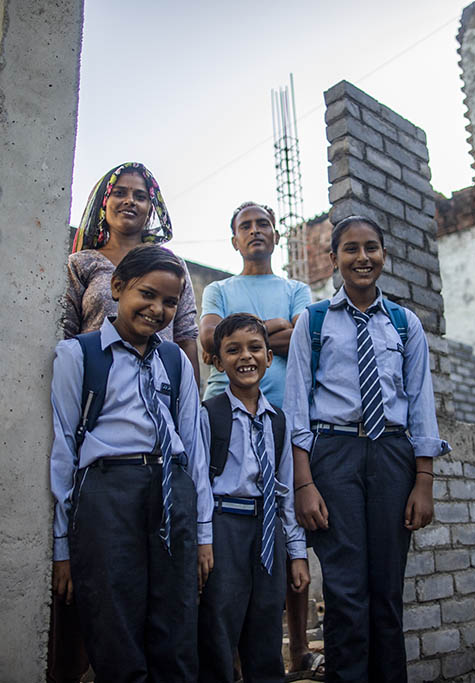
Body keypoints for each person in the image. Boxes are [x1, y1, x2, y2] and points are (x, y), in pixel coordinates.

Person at [283, 216, 451, 683]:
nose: (362, 257)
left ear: (383, 256)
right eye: (351, 249)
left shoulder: (404, 322)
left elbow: (420, 404)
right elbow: (297, 409)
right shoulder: (313, 323)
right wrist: (304, 483)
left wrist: (424, 481)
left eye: (371, 248)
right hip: (333, 456)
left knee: (386, 593)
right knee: (345, 592)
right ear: (333, 259)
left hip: (393, 456)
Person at [51, 163, 200, 682]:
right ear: (116, 288)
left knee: (176, 629)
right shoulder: (77, 349)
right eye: (146, 296)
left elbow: (191, 441)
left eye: (169, 301)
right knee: (112, 626)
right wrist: (61, 545)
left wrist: (200, 530)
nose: (158, 308)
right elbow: (64, 449)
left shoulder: (175, 361)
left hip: (169, 481)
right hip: (107, 480)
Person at [199, 201, 316, 674]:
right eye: (244, 226)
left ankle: (294, 647)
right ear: (234, 240)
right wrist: (271, 331)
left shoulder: (295, 288)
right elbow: (209, 338)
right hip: (228, 417)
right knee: (224, 596)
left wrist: (245, 329)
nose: (255, 231)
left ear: (275, 233)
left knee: (281, 535)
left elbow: (303, 340)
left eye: (263, 223)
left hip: (278, 416)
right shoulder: (219, 288)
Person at [65, 162, 200, 382]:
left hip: (159, 385)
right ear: (104, 201)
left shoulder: (172, 265)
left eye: (140, 196)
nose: (130, 201)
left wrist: (191, 401)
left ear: (150, 208)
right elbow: (66, 333)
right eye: (119, 193)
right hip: (95, 386)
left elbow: (185, 337)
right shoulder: (81, 264)